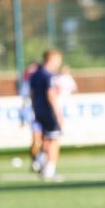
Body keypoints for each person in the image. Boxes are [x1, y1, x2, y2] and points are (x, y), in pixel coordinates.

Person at [29, 49, 65, 181]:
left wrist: (35, 108)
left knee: (46, 139)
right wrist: (58, 114)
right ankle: (49, 170)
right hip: (49, 112)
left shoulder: (35, 74)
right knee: (54, 140)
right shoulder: (48, 75)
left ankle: (40, 161)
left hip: (38, 110)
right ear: (51, 59)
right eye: (58, 60)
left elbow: (32, 94)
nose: (59, 63)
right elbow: (51, 95)